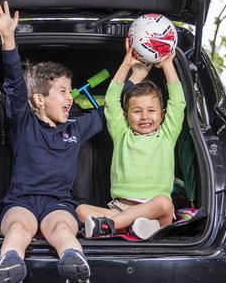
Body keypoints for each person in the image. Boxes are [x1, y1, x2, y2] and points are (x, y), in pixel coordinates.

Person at [0, 0, 104, 283]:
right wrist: (7, 38)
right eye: (63, 92)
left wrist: (131, 71)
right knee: (17, 227)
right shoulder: (24, 121)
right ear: (39, 100)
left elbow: (110, 111)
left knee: (63, 230)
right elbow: (15, 85)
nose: (70, 98)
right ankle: (11, 263)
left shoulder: (77, 127)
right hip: (21, 201)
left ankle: (73, 262)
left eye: (70, 92)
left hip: (58, 203)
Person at [76, 43, 186, 240]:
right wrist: (126, 64)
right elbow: (111, 101)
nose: (144, 116)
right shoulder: (121, 133)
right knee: (81, 210)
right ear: (126, 116)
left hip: (155, 209)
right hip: (120, 207)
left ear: (162, 115)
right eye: (137, 111)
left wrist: (168, 64)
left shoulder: (167, 134)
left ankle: (112, 226)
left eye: (151, 111)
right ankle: (135, 227)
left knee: (164, 202)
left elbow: (177, 103)